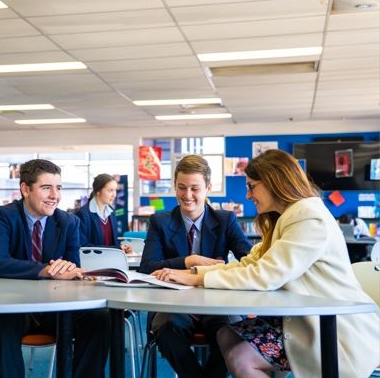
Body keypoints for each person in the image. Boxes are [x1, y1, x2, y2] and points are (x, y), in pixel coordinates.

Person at [155, 149, 380, 378]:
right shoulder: (285, 217)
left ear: (274, 183)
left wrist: (196, 277)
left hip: (331, 329)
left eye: (252, 186)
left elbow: (264, 275)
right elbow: (249, 263)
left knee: (240, 358)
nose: (248, 195)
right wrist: (195, 271)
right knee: (226, 334)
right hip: (300, 320)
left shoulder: (308, 218)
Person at [0, 159, 110, 378]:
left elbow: (74, 269)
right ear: (25, 189)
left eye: (58, 188)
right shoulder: (3, 216)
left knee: (101, 317)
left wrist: (72, 271)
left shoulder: (68, 222)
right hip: (12, 306)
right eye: (46, 188)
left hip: (55, 308)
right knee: (0, 321)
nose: (55, 195)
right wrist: (46, 270)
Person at [139, 155, 252, 378]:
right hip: (172, 304)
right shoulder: (160, 222)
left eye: (195, 188)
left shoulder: (225, 220)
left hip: (215, 301)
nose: (187, 195)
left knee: (233, 333)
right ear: (174, 186)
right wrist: (188, 261)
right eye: (181, 187)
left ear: (208, 188)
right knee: (167, 330)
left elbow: (250, 260)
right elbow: (147, 268)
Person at [75, 173, 132, 253]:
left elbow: (112, 242)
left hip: (111, 260)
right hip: (93, 263)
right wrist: (117, 248)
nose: (114, 195)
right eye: (110, 190)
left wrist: (121, 247)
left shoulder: (111, 213)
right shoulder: (82, 214)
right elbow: (84, 246)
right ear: (98, 191)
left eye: (115, 190)